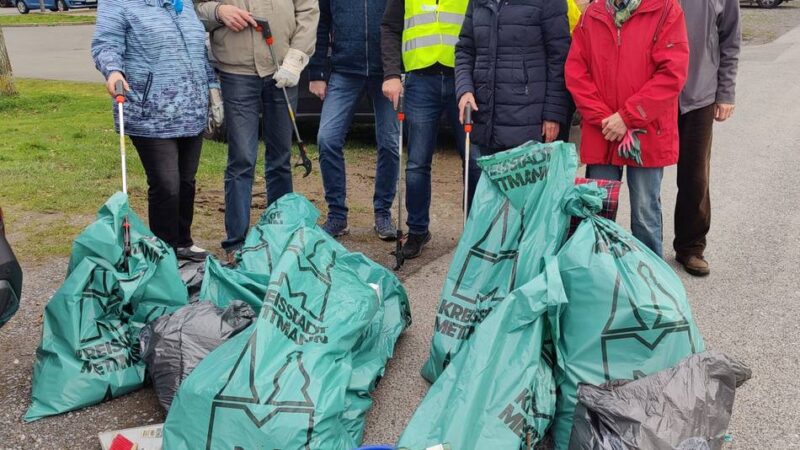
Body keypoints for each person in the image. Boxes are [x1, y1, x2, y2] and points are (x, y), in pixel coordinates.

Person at [92, 0, 217, 262]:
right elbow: (106, 44)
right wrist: (113, 72)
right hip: (149, 112)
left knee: (186, 181)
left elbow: (199, 51)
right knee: (166, 185)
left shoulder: (182, 4)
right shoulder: (119, 3)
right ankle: (164, 251)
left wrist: (212, 87)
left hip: (191, 109)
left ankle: (183, 241)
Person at [194, 0, 319, 258]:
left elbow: (308, 10)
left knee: (280, 158)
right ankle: (236, 244)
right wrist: (219, 12)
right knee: (241, 159)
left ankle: (280, 237)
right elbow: (195, 9)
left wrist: (297, 58)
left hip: (283, 66)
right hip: (236, 72)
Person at [565, 0, 689, 257]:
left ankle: (649, 283)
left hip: (646, 133)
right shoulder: (592, 14)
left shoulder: (666, 10)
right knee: (598, 211)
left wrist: (628, 117)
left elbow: (671, 73)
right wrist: (604, 119)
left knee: (645, 214)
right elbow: (576, 71)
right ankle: (599, 278)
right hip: (604, 131)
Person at [381, 0, 481, 260]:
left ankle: (475, 231)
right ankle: (417, 230)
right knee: (416, 163)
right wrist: (392, 73)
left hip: (462, 77)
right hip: (420, 80)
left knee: (474, 161)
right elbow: (390, 27)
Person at [310, 0, 400, 240]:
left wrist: (401, 70)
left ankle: (383, 213)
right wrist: (317, 71)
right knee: (327, 139)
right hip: (344, 72)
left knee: (390, 143)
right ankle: (337, 216)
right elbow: (322, 24)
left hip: (387, 73)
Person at [674, 0, 741, 277]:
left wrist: (725, 92)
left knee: (695, 175)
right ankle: (642, 246)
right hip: (652, 93)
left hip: (699, 93)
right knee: (646, 179)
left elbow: (730, 38)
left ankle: (691, 247)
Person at [455, 0, 571, 154]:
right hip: (486, 120)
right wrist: (465, 89)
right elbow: (465, 50)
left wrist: (553, 114)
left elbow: (560, 58)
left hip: (529, 122)